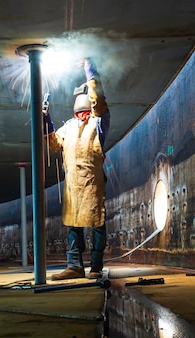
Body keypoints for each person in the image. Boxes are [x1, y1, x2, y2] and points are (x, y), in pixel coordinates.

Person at [43, 57, 110, 280]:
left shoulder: (98, 122)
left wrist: (89, 69)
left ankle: (97, 267)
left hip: (93, 182)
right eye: (79, 114)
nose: (83, 116)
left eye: (86, 112)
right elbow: (53, 143)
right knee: (73, 223)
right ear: (74, 114)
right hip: (72, 185)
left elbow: (98, 99)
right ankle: (75, 266)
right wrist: (46, 120)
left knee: (97, 223)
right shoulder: (69, 128)